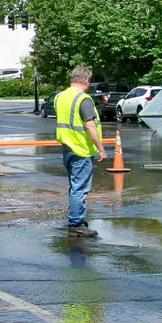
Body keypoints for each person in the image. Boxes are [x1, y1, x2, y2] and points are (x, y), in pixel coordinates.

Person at [55, 66, 108, 238]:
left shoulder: (60, 97)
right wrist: (101, 149)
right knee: (80, 188)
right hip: (82, 149)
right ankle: (76, 223)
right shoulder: (83, 99)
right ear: (86, 81)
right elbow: (89, 125)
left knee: (74, 186)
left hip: (68, 148)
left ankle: (76, 220)